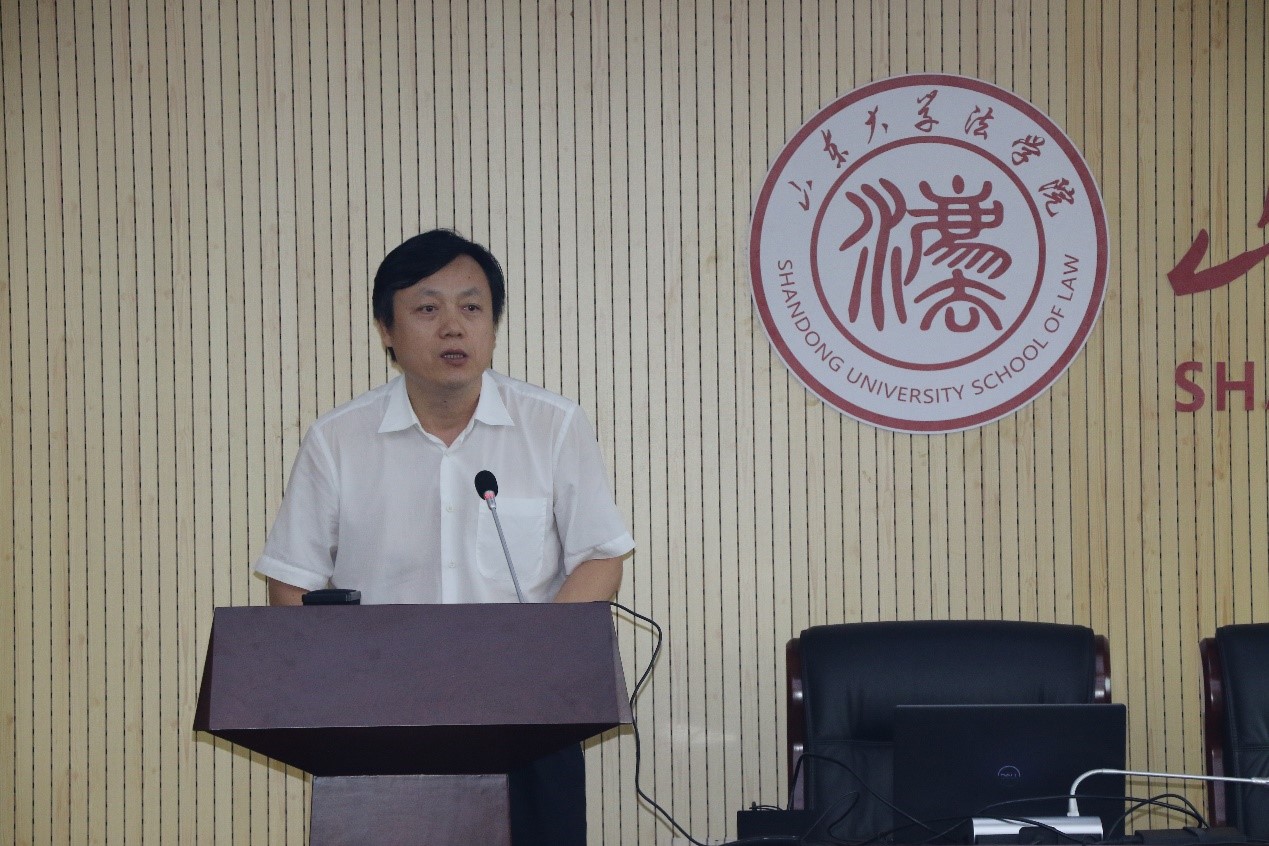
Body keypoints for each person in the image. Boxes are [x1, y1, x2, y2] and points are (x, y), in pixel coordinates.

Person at [253, 229, 636, 846]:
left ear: (493, 325)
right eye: (427, 308)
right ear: (386, 329)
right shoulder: (338, 440)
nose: (453, 327)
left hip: (530, 722)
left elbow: (600, 556)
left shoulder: (553, 426)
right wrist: (344, 693)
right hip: (380, 727)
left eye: (471, 307)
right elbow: (290, 582)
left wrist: (534, 658)